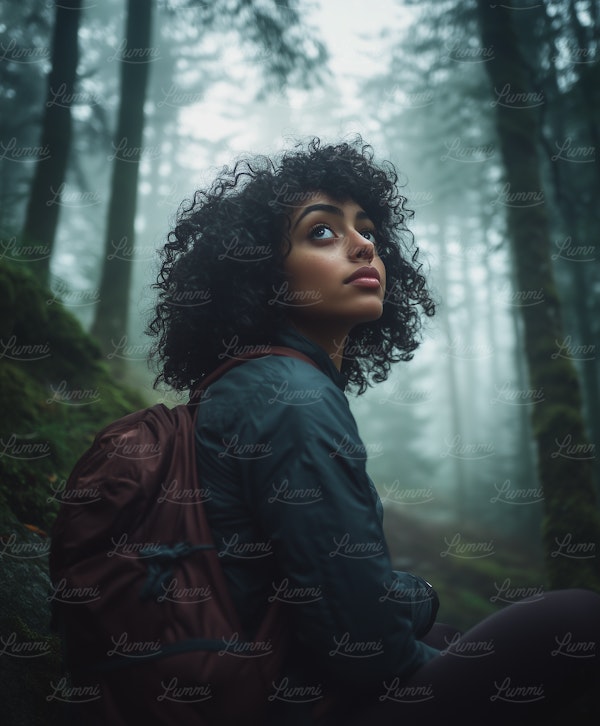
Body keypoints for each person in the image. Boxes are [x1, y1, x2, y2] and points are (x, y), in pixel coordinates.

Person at [147, 137, 600, 724]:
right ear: (259, 270)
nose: (364, 245)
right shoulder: (291, 397)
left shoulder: (250, 382)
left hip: (262, 678)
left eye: (368, 231)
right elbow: (363, 650)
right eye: (323, 232)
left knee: (468, 638)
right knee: (578, 619)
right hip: (281, 699)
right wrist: (421, 598)